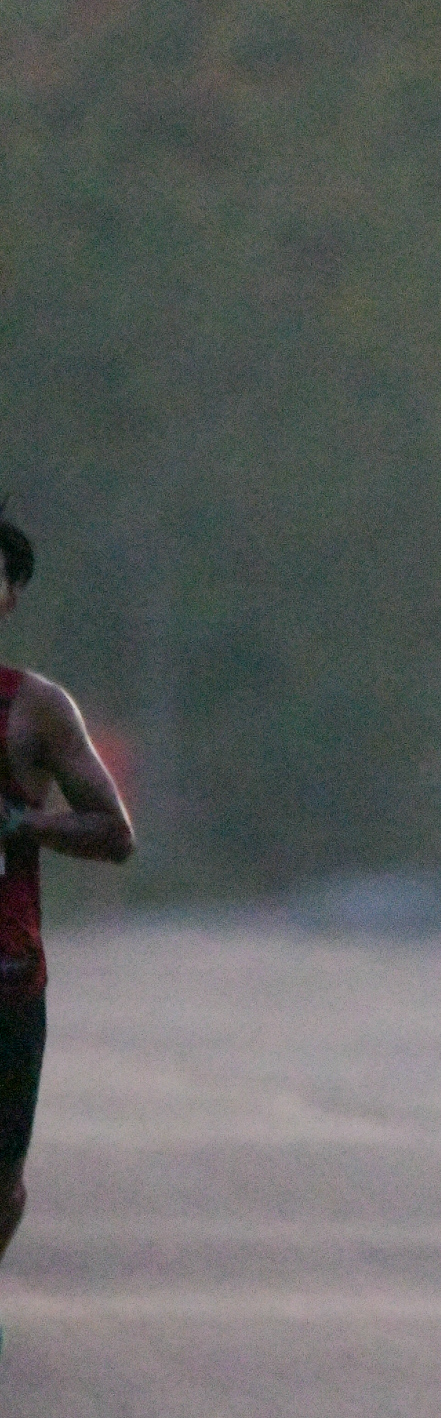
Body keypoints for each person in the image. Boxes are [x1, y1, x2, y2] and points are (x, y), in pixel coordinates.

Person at [0, 507, 135, 1273]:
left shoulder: (35, 708)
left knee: (2, 1186)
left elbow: (114, 833)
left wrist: (22, 824)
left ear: (9, 596)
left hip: (7, 975)